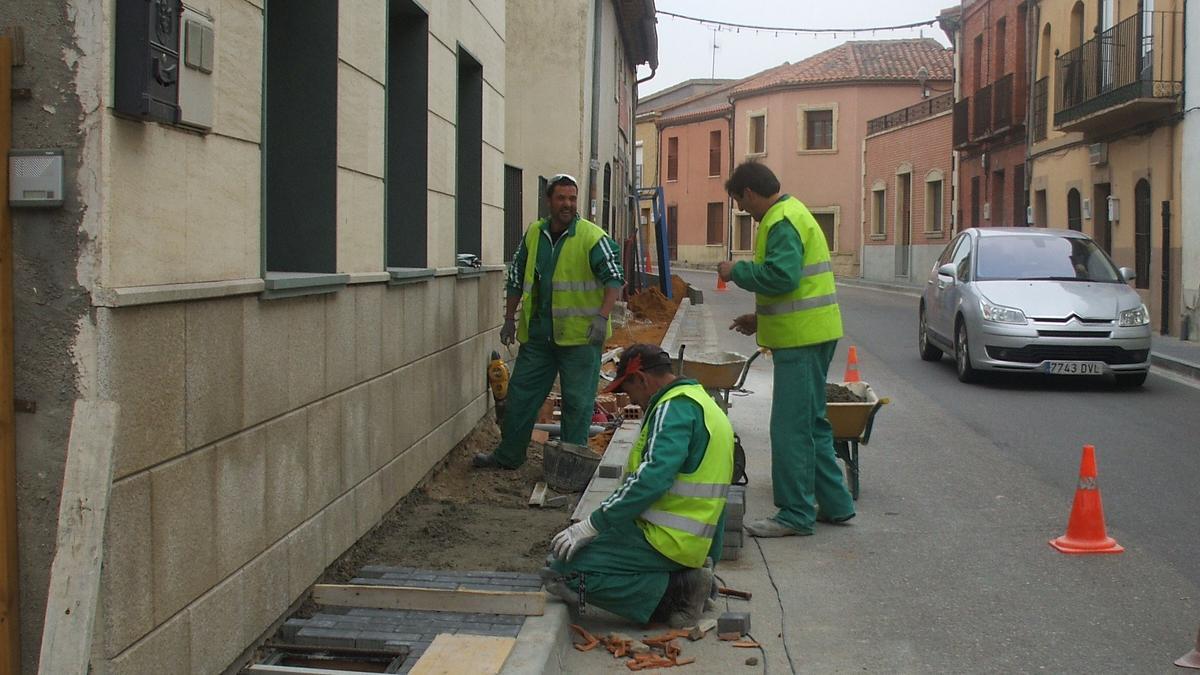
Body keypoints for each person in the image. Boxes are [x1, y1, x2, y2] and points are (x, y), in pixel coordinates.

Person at [543, 344, 734, 627]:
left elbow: (651, 478)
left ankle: (677, 591)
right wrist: (708, 559)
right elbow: (718, 498)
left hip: (663, 539)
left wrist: (593, 524)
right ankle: (686, 580)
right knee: (571, 560)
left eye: (629, 390)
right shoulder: (703, 404)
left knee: (561, 572)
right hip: (687, 542)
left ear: (642, 380)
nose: (632, 399)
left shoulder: (673, 409)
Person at [715, 161, 855, 537]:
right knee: (813, 423)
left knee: (790, 428)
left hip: (800, 340)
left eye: (740, 202)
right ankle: (836, 504)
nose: (743, 211)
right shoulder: (795, 212)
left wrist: (735, 271)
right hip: (813, 332)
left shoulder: (779, 221)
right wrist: (760, 319)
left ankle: (795, 513)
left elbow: (782, 276)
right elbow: (797, 288)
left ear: (749, 192)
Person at [473, 174, 624, 469]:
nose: (567, 204)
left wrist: (601, 317)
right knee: (520, 397)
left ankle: (569, 465)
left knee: (577, 405)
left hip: (581, 339)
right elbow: (516, 277)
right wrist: (508, 319)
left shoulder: (592, 237)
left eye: (572, 198)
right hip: (540, 338)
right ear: (549, 201)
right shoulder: (534, 234)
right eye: (561, 198)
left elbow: (614, 278)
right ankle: (509, 455)